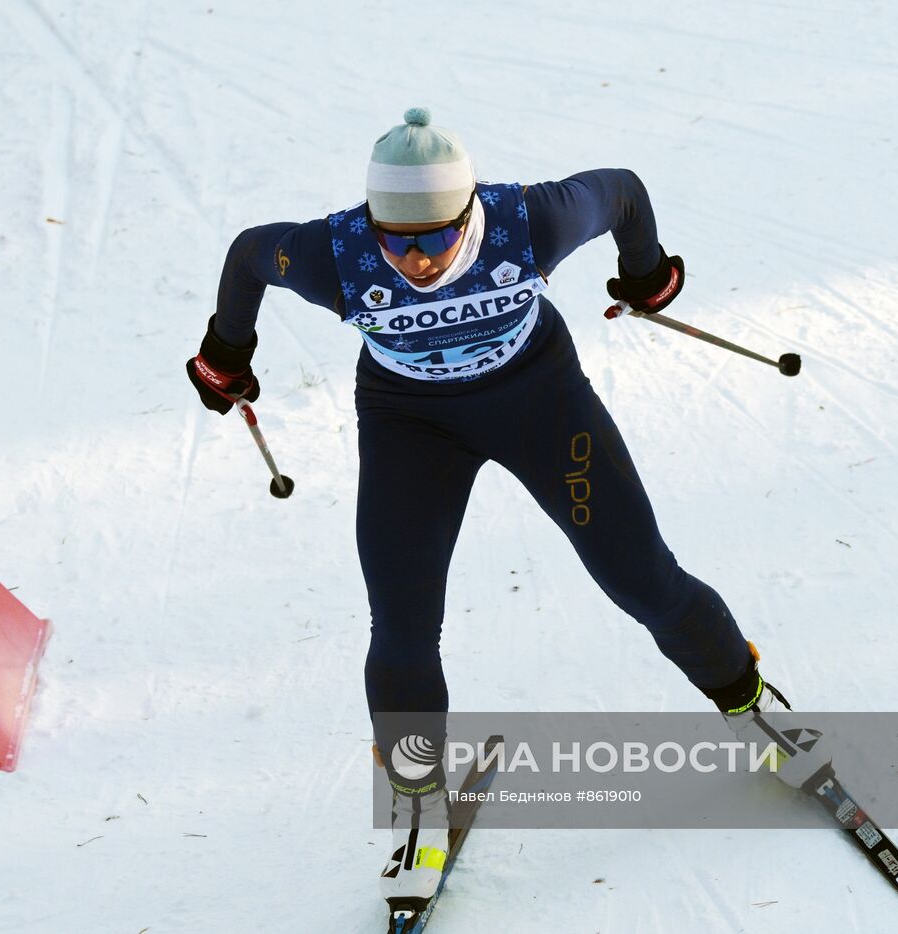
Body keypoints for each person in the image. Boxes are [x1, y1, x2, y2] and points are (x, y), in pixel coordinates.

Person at [185, 108, 819, 922]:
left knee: (644, 581)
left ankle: (752, 707)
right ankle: (418, 810)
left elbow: (622, 193)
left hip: (539, 404)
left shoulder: (532, 223)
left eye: (434, 239)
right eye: (394, 239)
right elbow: (248, 257)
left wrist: (646, 275)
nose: (412, 258)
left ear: (469, 212)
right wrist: (225, 354)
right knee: (402, 627)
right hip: (411, 424)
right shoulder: (334, 255)